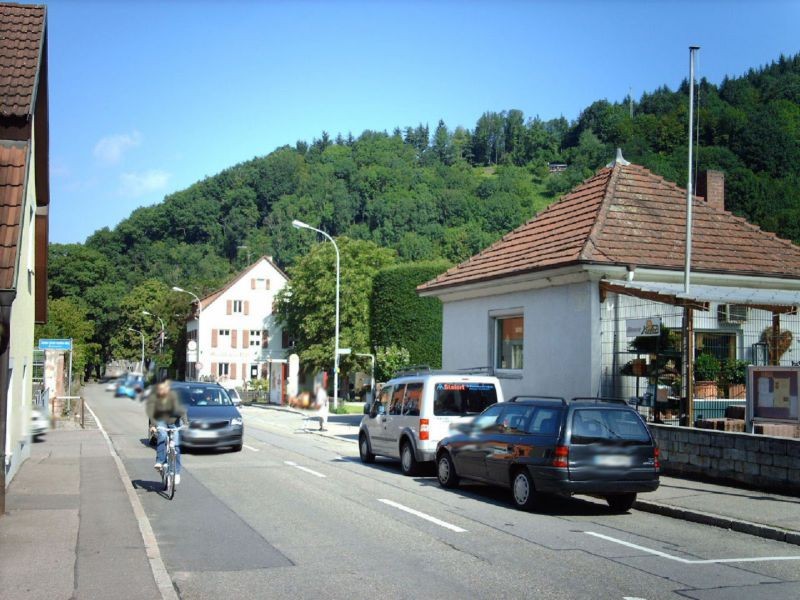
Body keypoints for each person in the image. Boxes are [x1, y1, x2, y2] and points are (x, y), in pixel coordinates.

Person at [146, 380, 187, 484]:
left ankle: (176, 472)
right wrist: (153, 426)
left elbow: (182, 411)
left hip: (174, 423)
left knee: (176, 447)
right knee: (163, 435)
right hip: (162, 421)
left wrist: (186, 423)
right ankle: (160, 461)